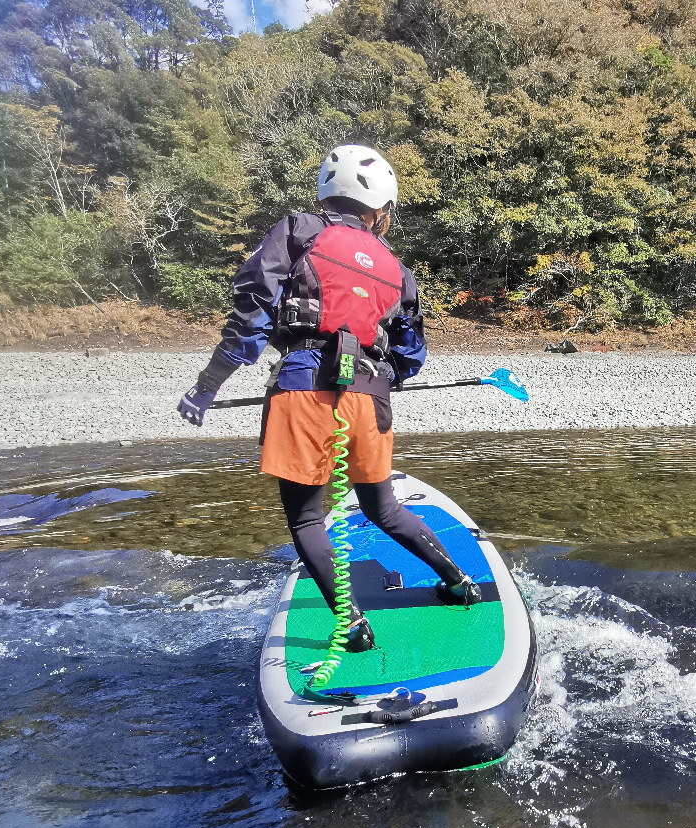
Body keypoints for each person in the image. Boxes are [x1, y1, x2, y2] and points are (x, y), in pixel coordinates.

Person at [177, 144, 479, 686]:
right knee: (384, 509)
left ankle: (353, 624)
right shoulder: (397, 268)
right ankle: (459, 582)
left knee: (307, 519)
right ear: (379, 209)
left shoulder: (297, 232)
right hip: (371, 398)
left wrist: (206, 387)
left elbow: (249, 318)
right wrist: (380, 377)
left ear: (327, 194)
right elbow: (410, 355)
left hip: (303, 390)